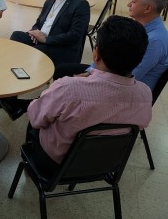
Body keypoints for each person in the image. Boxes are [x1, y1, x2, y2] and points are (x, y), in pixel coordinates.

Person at [25, 15, 152, 176]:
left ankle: (31, 169)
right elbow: (140, 125)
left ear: (96, 53)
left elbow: (35, 117)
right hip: (105, 166)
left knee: (38, 117)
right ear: (139, 59)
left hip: (55, 165)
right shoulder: (145, 93)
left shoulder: (68, 88)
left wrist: (50, 91)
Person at [0, 0, 90, 108]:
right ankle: (9, 93)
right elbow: (38, 24)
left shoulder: (80, 5)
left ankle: (9, 96)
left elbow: (75, 36)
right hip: (41, 40)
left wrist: (46, 39)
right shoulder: (49, 2)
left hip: (60, 47)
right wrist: (33, 32)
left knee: (28, 54)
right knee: (16, 37)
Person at [54, 0, 168, 91]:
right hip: (112, 74)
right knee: (62, 70)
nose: (128, 4)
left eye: (133, 1)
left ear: (147, 8)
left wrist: (88, 78)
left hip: (124, 91)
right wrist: (89, 72)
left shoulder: (155, 41)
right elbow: (113, 58)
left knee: (66, 85)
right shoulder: (141, 27)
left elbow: (127, 77)